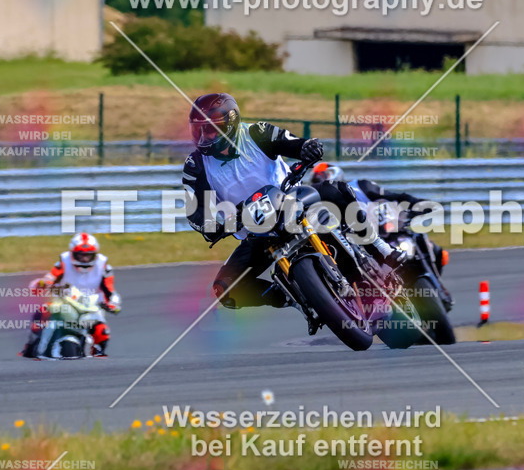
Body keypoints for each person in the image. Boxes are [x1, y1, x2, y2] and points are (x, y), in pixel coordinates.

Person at [181, 92, 404, 312]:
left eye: (209, 129)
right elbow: (195, 210)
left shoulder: (257, 133)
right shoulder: (195, 166)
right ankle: (293, 297)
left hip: (291, 200)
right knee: (225, 290)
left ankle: (379, 248)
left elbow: (294, 144)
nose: (203, 136)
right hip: (255, 230)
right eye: (198, 129)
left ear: (229, 124)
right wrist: (210, 225)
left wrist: (308, 147)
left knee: (338, 190)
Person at [306, 162, 447, 274]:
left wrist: (418, 204)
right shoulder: (321, 207)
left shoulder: (359, 186)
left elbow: (392, 196)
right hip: (364, 247)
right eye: (317, 179)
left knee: (430, 245)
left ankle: (437, 284)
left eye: (325, 175)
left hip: (386, 231)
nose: (322, 180)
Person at [20, 232, 121, 358]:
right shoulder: (64, 261)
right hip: (65, 302)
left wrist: (113, 303)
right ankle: (30, 345)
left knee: (102, 332)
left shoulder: (103, 266)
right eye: (80, 255)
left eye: (88, 256)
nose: (84, 259)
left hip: (91, 306)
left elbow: (109, 289)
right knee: (42, 311)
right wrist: (45, 283)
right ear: (73, 253)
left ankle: (98, 355)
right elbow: (51, 276)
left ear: (94, 255)